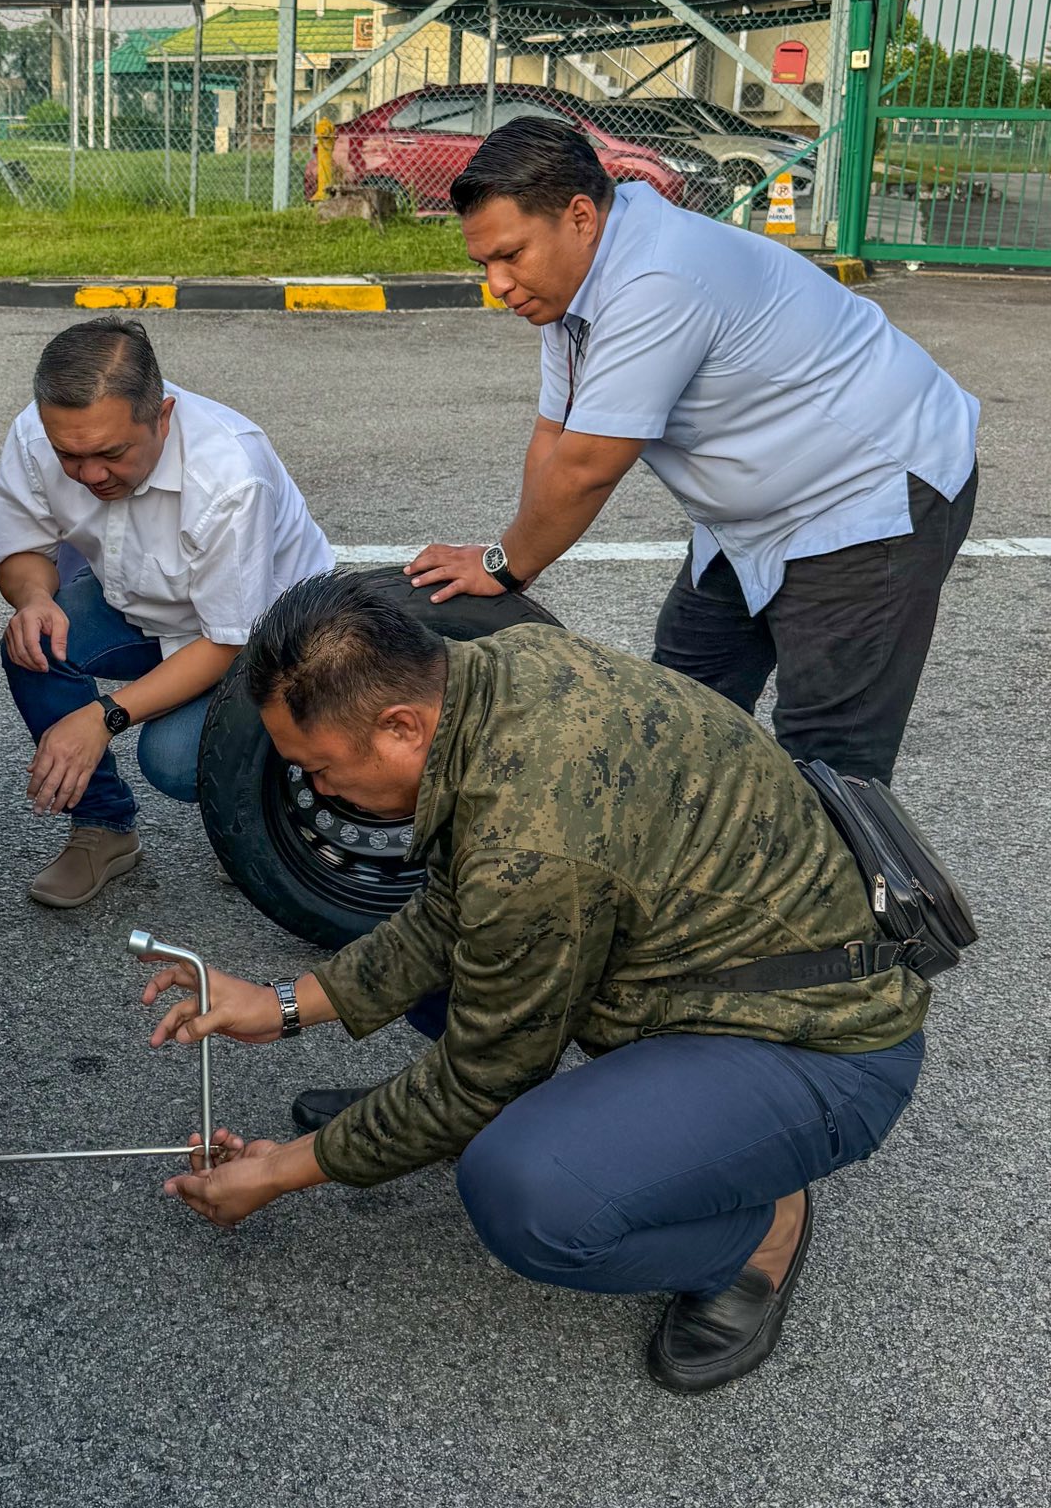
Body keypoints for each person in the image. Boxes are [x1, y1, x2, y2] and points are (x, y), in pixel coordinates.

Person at [143, 574, 928, 1394]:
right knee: (472, 968)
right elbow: (454, 907)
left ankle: (758, 1236)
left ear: (401, 725)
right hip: (706, 963)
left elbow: (479, 1076)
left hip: (818, 1043)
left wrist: (280, 1171)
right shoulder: (495, 667)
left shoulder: (530, 843)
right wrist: (283, 1005)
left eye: (322, 768)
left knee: (526, 1193)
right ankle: (607, 1131)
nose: (320, 790)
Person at [406, 120, 979, 782]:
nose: (497, 284)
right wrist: (515, 562)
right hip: (750, 518)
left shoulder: (659, 277)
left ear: (581, 217)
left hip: (867, 494)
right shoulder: (571, 289)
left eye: (511, 255)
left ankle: (843, 852)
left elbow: (589, 468)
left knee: (827, 761)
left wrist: (505, 565)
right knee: (677, 717)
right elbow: (554, 438)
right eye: (484, 264)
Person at [0, 317, 332, 909]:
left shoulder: (229, 474)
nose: (90, 475)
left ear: (163, 417)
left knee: (171, 759)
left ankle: (277, 816)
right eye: (70, 456)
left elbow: (229, 641)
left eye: (111, 454)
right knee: (33, 644)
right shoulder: (37, 432)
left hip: (272, 638)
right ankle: (103, 829)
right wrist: (35, 599)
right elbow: (22, 550)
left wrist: (102, 718)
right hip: (145, 604)